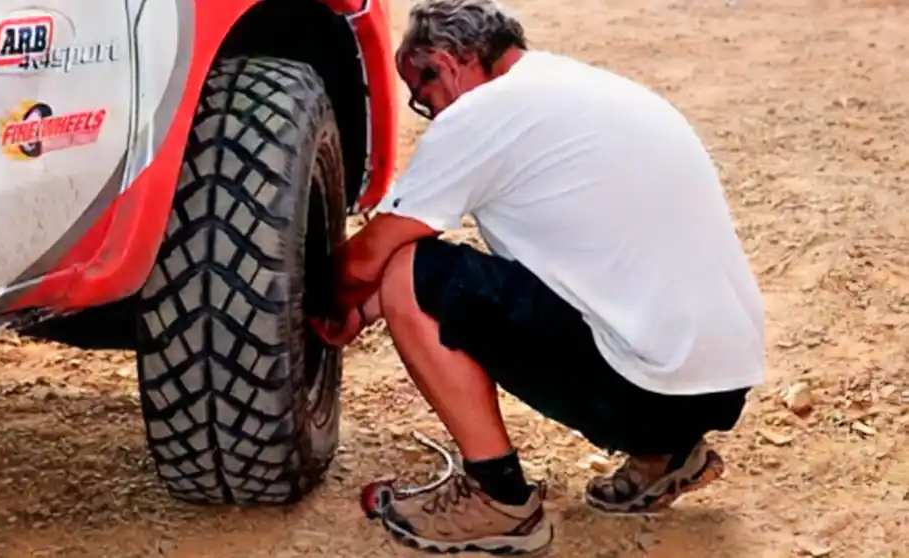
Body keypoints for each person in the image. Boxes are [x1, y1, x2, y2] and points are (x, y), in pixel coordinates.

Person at [309, 0, 766, 553]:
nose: (427, 111)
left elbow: (368, 260)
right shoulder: (575, 88)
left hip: (649, 388)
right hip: (716, 386)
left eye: (422, 96)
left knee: (412, 268)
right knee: (428, 271)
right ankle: (666, 454)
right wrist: (365, 308)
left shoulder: (480, 115)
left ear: (448, 64)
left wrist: (310, 299)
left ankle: (498, 499)